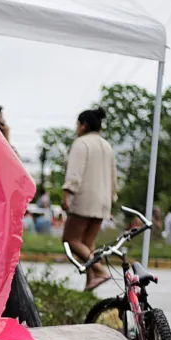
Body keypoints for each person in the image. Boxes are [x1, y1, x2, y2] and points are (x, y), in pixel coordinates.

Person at [62, 107, 118, 291]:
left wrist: (67, 193)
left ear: (83, 125)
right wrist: (112, 198)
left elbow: (75, 172)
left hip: (85, 199)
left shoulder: (81, 143)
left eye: (77, 124)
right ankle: (90, 281)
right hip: (103, 201)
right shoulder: (107, 145)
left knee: (70, 239)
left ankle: (101, 271)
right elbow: (113, 176)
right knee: (87, 244)